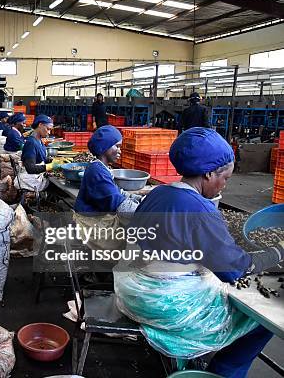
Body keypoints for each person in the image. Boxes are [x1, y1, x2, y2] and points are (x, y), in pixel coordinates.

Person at [117, 128, 283, 378]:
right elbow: (234, 270)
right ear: (208, 173)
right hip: (165, 306)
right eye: (224, 178)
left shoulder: (159, 193)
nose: (223, 186)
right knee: (260, 319)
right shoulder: (200, 209)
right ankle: (224, 372)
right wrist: (277, 253)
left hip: (133, 292)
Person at [74, 125, 141, 215]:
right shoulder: (97, 172)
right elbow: (119, 205)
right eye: (117, 146)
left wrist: (139, 199)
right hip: (91, 223)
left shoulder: (101, 168)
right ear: (105, 146)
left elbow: (118, 192)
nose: (120, 151)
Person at [16, 114, 58, 192]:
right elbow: (30, 168)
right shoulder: (31, 143)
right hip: (30, 181)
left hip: (36, 177)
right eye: (48, 129)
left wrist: (54, 161)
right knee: (58, 187)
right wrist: (50, 166)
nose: (49, 132)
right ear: (40, 125)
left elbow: (41, 158)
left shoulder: (39, 141)